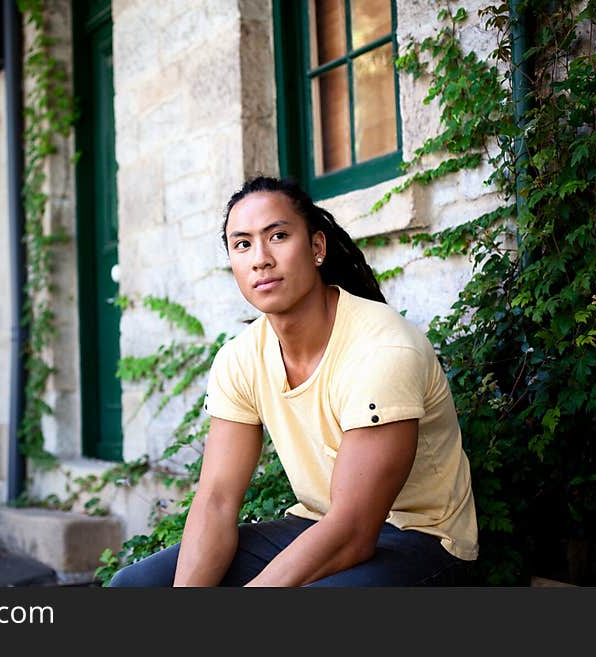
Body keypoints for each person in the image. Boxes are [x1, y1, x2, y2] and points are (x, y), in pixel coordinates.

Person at [109, 176, 478, 587]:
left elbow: (354, 531)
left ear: (316, 247)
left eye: (278, 235)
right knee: (135, 586)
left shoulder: (382, 350)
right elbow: (216, 502)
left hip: (419, 541)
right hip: (315, 525)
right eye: (242, 244)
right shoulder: (240, 358)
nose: (260, 258)